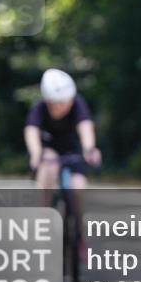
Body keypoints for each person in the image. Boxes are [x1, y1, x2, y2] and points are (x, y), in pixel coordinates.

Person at [24, 69, 101, 228]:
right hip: (49, 151)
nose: (64, 106)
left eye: (67, 101)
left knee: (78, 186)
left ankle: (79, 229)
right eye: (57, 103)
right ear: (48, 101)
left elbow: (85, 126)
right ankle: (41, 219)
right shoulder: (39, 108)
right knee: (47, 168)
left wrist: (89, 149)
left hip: (74, 151)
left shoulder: (78, 104)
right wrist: (35, 154)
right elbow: (31, 130)